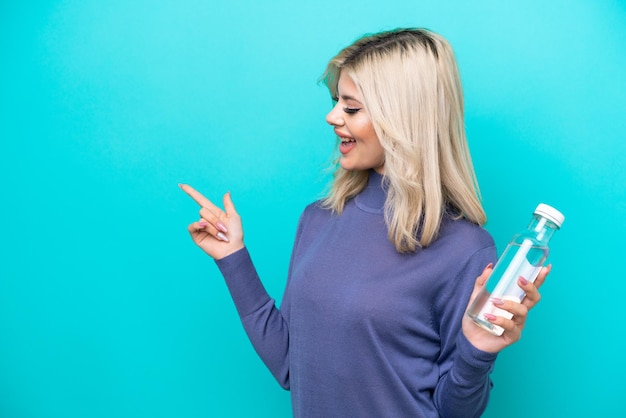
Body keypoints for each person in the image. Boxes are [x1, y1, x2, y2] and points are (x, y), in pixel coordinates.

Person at [180, 28, 549, 418]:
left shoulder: (465, 249)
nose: (331, 116)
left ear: (401, 119)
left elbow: (454, 411)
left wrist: (476, 351)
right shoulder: (318, 219)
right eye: (336, 101)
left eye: (351, 108)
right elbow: (291, 364)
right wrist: (233, 258)